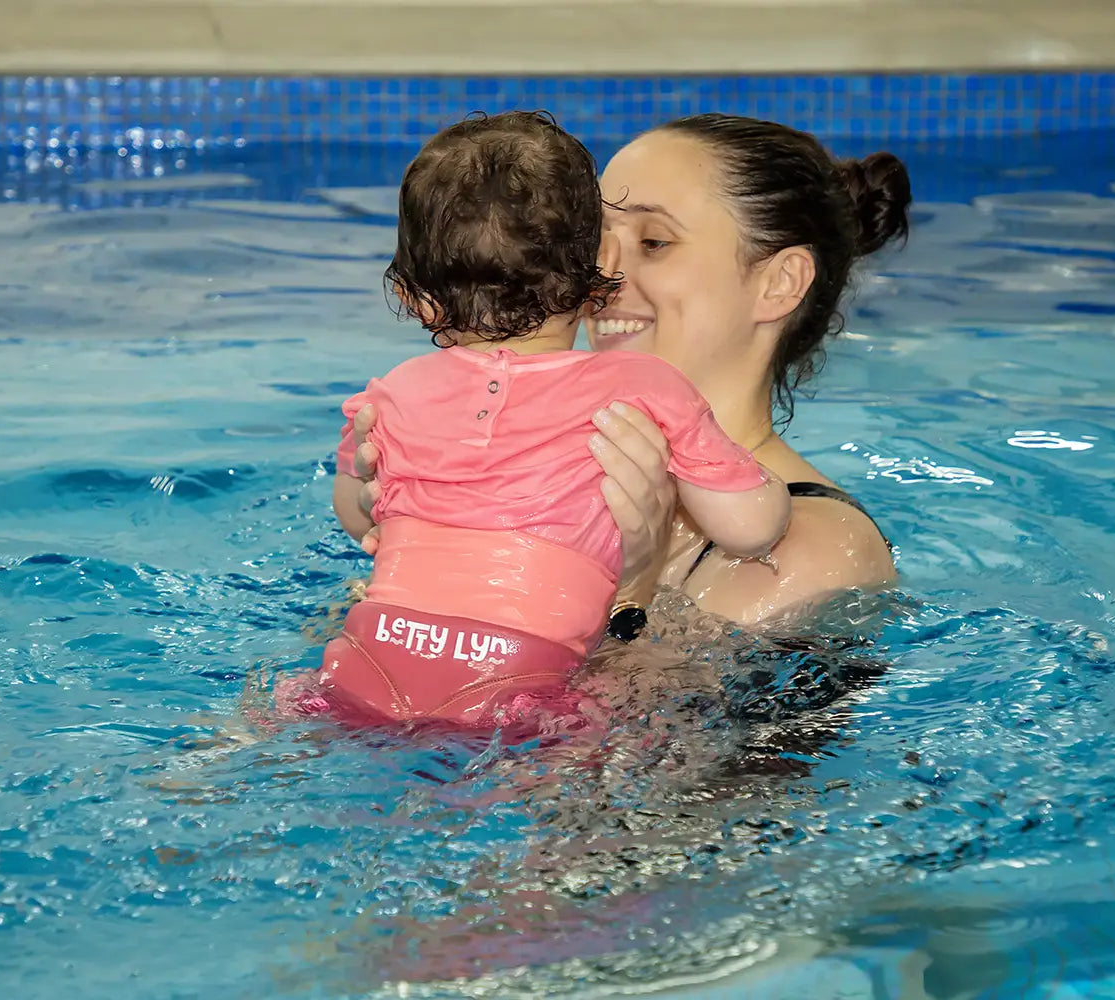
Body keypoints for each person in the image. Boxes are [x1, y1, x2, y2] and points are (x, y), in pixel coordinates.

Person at [313, 111, 792, 728]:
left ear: (416, 299)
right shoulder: (640, 388)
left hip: (373, 650)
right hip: (520, 677)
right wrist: (775, 497)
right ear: (599, 274)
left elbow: (359, 514)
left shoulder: (393, 391)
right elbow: (751, 529)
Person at [346, 113, 911, 630]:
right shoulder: (511, 460)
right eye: (591, 238)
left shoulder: (814, 550)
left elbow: (682, 738)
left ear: (779, 282)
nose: (601, 268)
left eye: (653, 242)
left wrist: (631, 593)